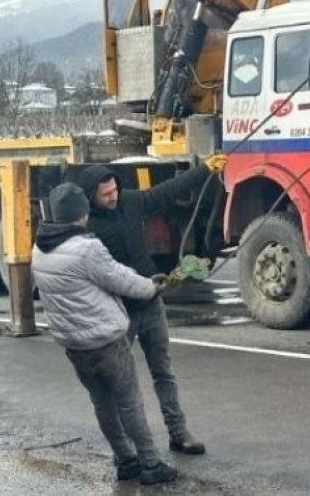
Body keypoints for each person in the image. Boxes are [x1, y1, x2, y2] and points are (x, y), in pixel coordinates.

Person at [76, 155, 226, 455]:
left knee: (163, 371)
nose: (113, 196)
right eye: (106, 194)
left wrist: (204, 170)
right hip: (119, 309)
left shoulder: (130, 202)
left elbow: (167, 191)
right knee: (121, 382)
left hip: (151, 300)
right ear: (92, 197)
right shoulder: (86, 227)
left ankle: (178, 431)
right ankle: (129, 447)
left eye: (115, 189)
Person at [32, 183, 177, 485]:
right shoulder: (87, 248)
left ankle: (125, 460)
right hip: (106, 341)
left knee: (102, 403)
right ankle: (150, 464)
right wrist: (153, 286)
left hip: (74, 344)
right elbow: (121, 279)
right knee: (129, 402)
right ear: (81, 213)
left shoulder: (40, 248)